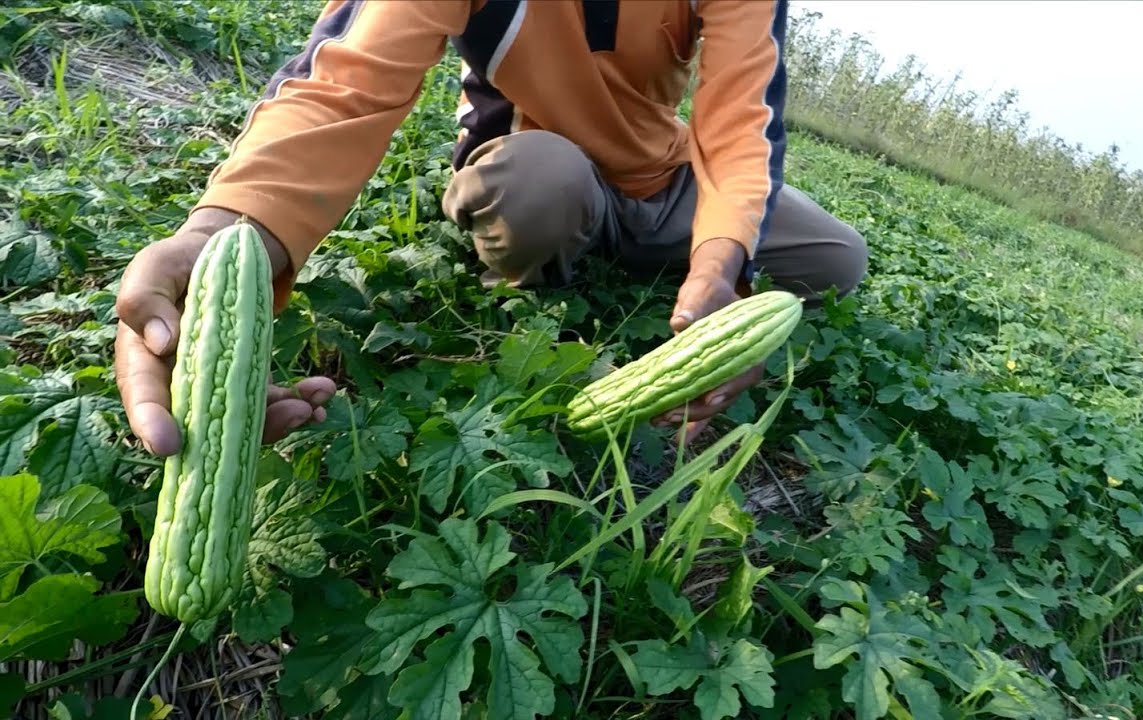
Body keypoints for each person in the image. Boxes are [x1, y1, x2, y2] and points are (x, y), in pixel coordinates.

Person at [113, 0, 868, 456]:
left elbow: (740, 124)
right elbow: (343, 86)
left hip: (660, 179)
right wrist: (224, 228)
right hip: (536, 163)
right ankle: (552, 275)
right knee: (538, 189)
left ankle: (664, 266)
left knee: (838, 259)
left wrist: (721, 263)